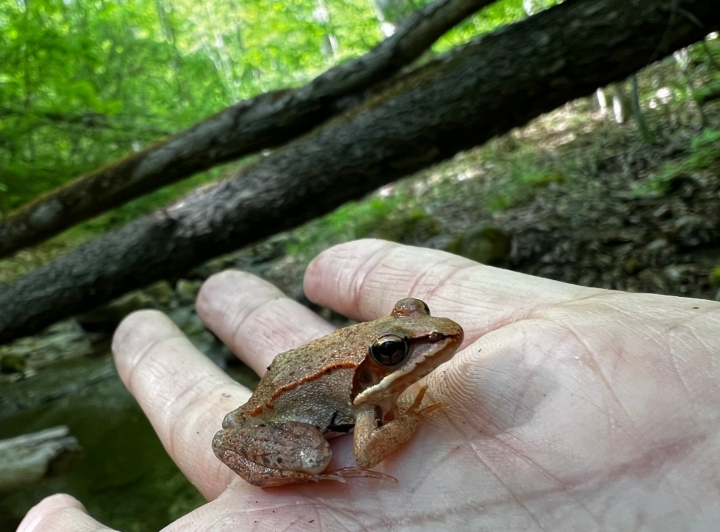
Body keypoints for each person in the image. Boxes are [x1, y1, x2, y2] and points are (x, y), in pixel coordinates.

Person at [19, 240, 720, 531]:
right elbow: (373, 448)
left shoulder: (403, 345)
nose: (424, 342)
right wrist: (405, 417)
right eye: (395, 350)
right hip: (281, 411)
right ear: (376, 362)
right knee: (325, 459)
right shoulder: (369, 402)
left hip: (296, 379)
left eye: (401, 329)